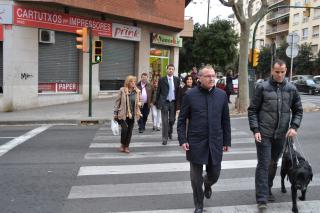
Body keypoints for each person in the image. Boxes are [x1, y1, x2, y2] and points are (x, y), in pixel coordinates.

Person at [248, 59, 303, 211]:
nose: (279, 75)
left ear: (286, 71)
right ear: (272, 71)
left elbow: (298, 110)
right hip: (264, 133)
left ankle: (268, 187)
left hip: (281, 135)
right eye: (277, 72)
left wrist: (294, 126)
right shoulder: (262, 87)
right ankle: (262, 198)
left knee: (273, 163)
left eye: (282, 72)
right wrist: (256, 129)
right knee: (264, 164)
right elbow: (252, 110)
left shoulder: (291, 89)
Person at [177, 65, 231, 213]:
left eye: (213, 75)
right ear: (199, 78)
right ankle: (198, 205)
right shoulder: (190, 95)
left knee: (215, 174)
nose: (212, 78)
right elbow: (181, 120)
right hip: (195, 142)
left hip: (215, 141)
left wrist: (227, 141)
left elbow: (225, 120)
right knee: (195, 179)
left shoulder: (222, 95)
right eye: (208, 76)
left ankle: (208, 184)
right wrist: (183, 140)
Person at [114, 75, 142, 153]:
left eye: (134, 82)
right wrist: (115, 113)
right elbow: (117, 102)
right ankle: (122, 144)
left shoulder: (137, 91)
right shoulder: (122, 90)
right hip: (122, 114)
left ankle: (126, 146)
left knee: (129, 131)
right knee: (125, 129)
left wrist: (140, 103)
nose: (133, 83)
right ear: (128, 82)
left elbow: (140, 101)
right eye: (131, 81)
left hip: (132, 114)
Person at [156, 64, 180, 145]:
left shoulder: (177, 79)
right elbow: (158, 91)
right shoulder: (162, 79)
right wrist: (157, 103)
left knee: (172, 120)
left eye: (172, 69)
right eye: (169, 69)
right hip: (164, 102)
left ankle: (170, 132)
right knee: (165, 121)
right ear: (166, 70)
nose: (170, 70)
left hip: (173, 102)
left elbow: (178, 92)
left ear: (174, 70)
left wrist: (178, 104)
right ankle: (164, 138)